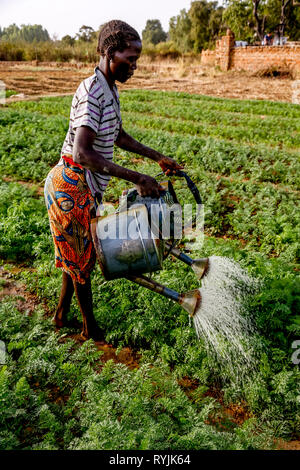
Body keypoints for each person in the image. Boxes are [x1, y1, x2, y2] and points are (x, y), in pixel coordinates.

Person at [44, 20, 183, 341]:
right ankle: (90, 328)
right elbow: (82, 153)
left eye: (136, 59)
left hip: (84, 186)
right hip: (71, 186)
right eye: (130, 59)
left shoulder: (109, 89)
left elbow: (117, 136)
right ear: (110, 54)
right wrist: (137, 177)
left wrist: (157, 157)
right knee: (81, 261)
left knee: (76, 255)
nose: (134, 66)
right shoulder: (94, 91)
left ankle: (61, 315)